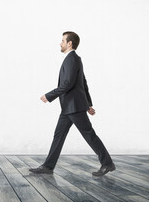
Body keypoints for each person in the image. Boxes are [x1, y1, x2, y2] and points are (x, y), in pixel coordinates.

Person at [29, 31, 115, 176]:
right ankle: (48, 166)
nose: (60, 43)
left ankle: (107, 163)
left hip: (73, 107)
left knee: (89, 135)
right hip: (69, 107)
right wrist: (88, 104)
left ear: (69, 43)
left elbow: (68, 84)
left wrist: (49, 95)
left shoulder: (72, 59)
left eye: (63, 40)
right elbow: (83, 83)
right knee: (59, 135)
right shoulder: (74, 59)